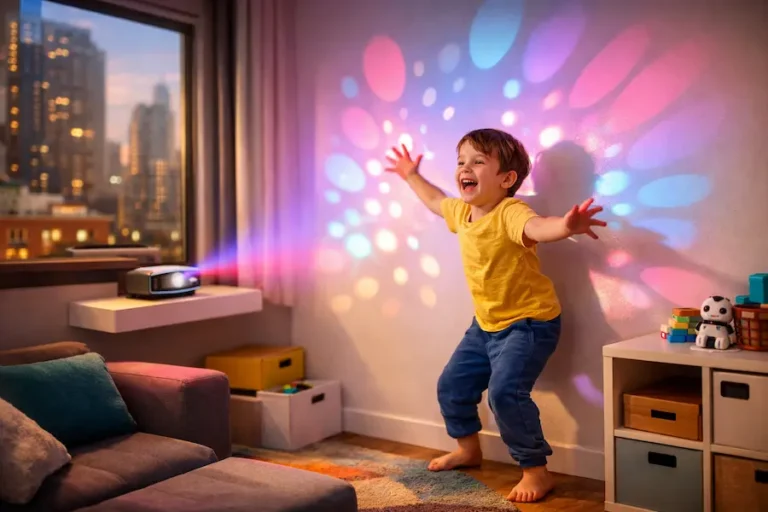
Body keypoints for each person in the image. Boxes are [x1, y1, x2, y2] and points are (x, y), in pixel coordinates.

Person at [384, 128, 605, 503]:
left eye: (478, 161)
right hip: (485, 325)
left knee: (504, 393)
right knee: (452, 386)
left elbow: (538, 227)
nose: (465, 168)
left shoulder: (510, 212)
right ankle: (469, 450)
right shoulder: (462, 211)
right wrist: (410, 174)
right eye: (461, 161)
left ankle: (536, 470)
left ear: (507, 179)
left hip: (529, 323)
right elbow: (436, 200)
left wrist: (567, 226)